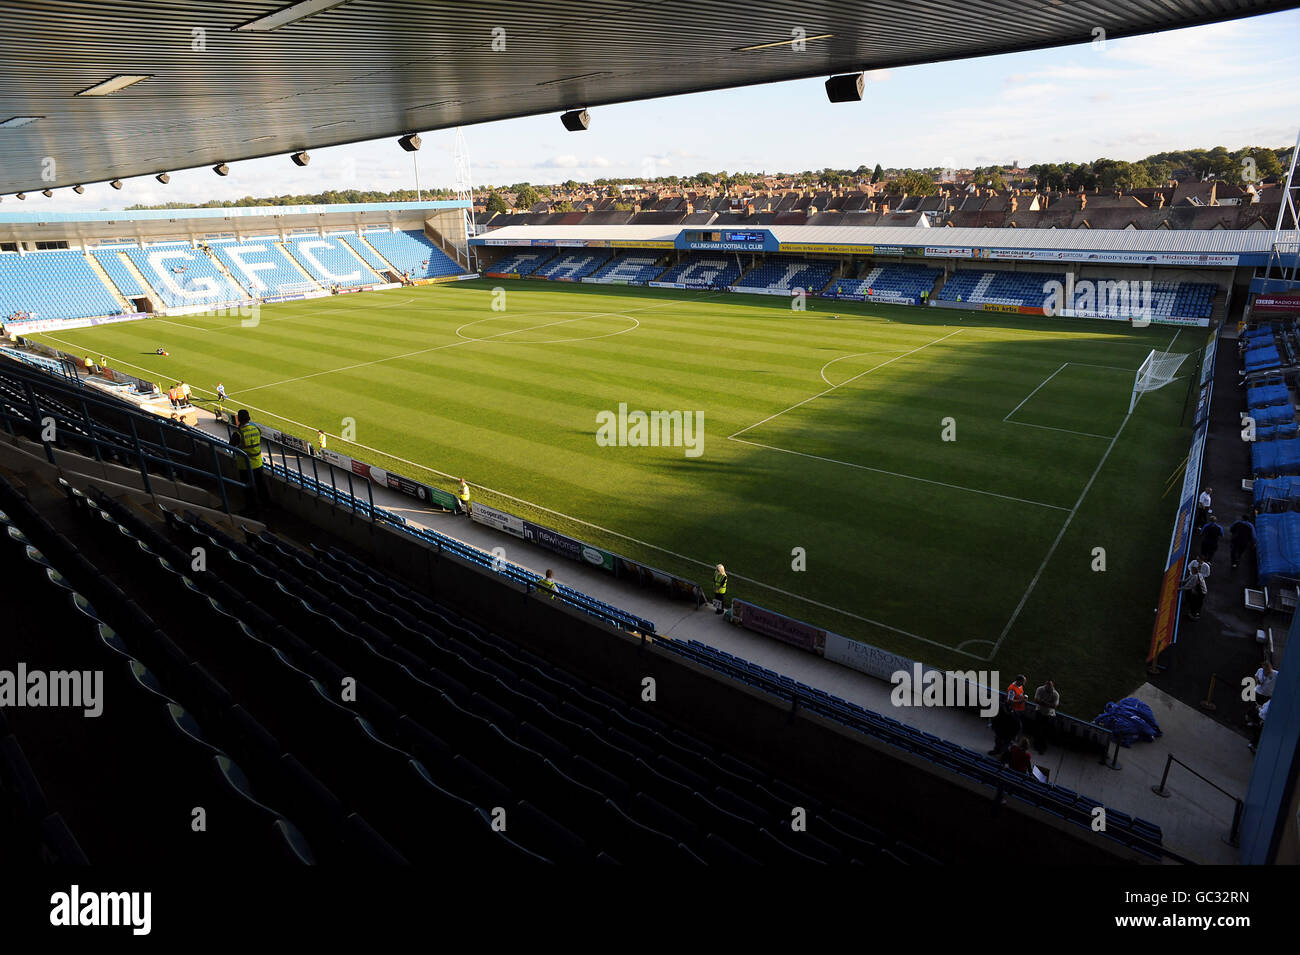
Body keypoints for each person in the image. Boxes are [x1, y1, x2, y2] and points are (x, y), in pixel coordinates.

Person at [229, 409, 268, 510]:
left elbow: (231, 446)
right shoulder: (256, 429)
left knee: (248, 488)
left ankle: (252, 508)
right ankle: (267, 505)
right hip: (258, 463)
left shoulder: (238, 433)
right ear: (249, 419)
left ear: (239, 420)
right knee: (261, 485)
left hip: (245, 465)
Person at [1031, 679, 1059, 753]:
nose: (1048, 689)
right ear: (1045, 685)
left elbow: (1055, 706)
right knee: (1037, 729)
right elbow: (1036, 700)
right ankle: (1036, 744)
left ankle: (1042, 745)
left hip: (1049, 715)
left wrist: (1043, 702)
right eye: (1047, 687)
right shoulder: (1040, 689)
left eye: (1049, 688)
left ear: (1052, 687)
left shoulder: (1055, 694)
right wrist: (1049, 704)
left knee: (1046, 731)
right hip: (1039, 712)